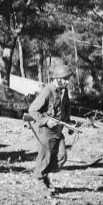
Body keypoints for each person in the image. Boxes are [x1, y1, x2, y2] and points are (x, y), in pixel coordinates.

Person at [28, 64, 75, 193]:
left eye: (68, 78)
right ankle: (39, 180)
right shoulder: (47, 90)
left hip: (58, 130)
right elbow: (32, 110)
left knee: (61, 156)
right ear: (58, 79)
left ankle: (44, 176)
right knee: (45, 158)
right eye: (65, 79)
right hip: (46, 131)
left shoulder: (63, 91)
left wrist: (69, 123)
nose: (67, 81)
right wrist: (45, 121)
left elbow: (65, 109)